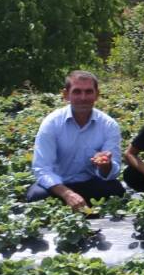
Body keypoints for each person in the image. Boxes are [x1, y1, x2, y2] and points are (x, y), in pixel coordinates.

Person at [27, 70, 125, 210]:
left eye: (89, 92)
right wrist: (67, 194)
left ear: (97, 95)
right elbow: (42, 168)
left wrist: (105, 166)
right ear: (66, 95)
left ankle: (78, 208)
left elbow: (113, 171)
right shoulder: (52, 123)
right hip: (58, 185)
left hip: (89, 182)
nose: (83, 97)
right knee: (36, 197)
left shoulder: (108, 125)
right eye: (77, 92)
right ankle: (77, 205)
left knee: (116, 190)